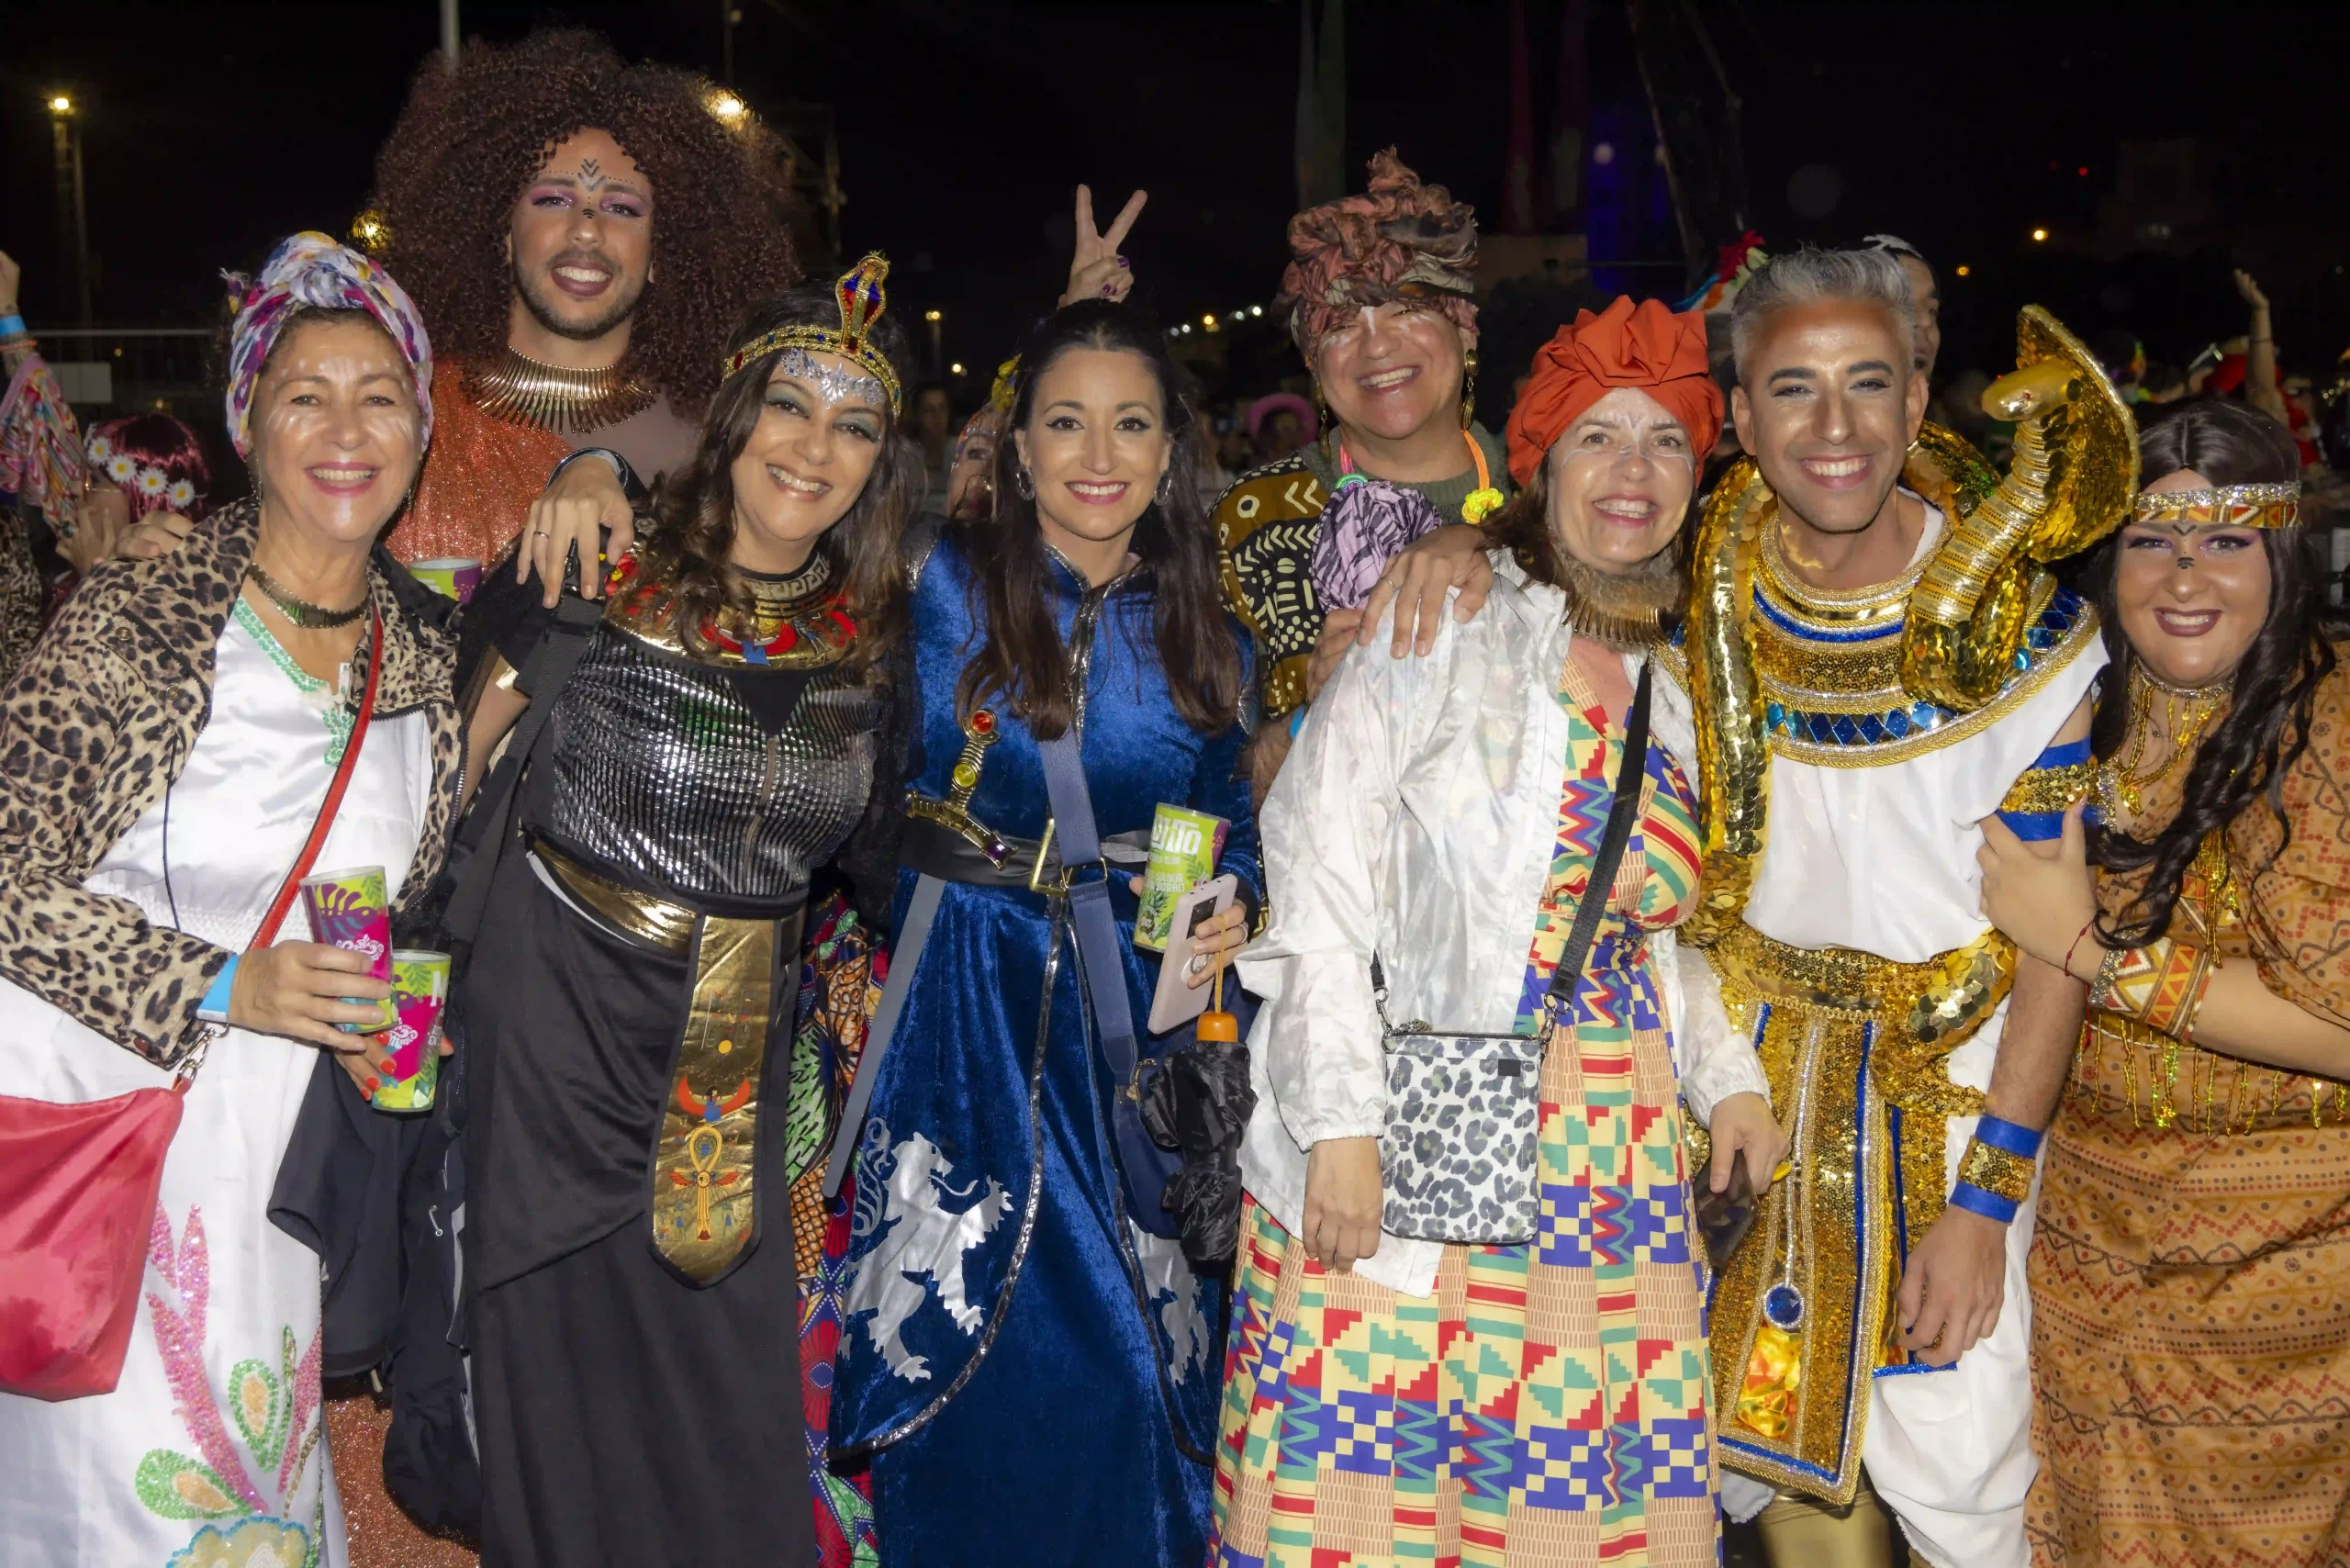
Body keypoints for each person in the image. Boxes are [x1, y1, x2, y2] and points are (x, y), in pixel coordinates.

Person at [1382, 248, 2135, 1566]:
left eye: (1867, 386)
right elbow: (1549, 557)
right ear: (1737, 411)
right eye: (1793, 388)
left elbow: (2052, 955)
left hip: (1956, 1107)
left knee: (1967, 1473)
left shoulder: (2030, 635)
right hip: (1741, 1100)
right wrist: (1454, 536)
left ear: (1918, 399)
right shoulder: (1690, 580)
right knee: (1753, 1466)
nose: (1833, 429)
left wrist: (1985, 1208)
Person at [1212, 297, 1784, 1565]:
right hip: (1424, 1130)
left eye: (1666, 442)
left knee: (1577, 1516)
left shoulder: (1682, 684)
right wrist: (1340, 1129)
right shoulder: (1449, 624)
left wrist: (1727, 1081)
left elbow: (1656, 933)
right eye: (1598, 439)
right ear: (1542, 462)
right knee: (1377, 1507)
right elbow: (1320, 866)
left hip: (1615, 1169)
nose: (1633, 472)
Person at [447, 253, 918, 1567]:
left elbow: (893, 860)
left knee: (726, 1412)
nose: (814, 446)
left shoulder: (875, 637)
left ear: (881, 461)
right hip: (557, 1030)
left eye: (855, 423)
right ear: (734, 416)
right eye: (789, 404)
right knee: (555, 1404)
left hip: (733, 1049)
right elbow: (450, 778)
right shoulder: (595, 561)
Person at [0, 232, 457, 1566]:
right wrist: (221, 979)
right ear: (246, 421)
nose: (345, 429)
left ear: (421, 430)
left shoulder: (427, 654)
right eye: (304, 393)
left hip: (293, 1174)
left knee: (256, 1494)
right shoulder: (141, 621)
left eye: (381, 394)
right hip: (119, 1154)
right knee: (126, 1507)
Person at [825, 299, 1258, 1567]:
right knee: (956, 1381)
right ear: (1014, 447)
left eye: (1132, 423)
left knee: (1134, 1386)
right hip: (957, 1012)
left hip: (1125, 1042)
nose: (1098, 454)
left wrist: (1222, 916)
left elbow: (1220, 836)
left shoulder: (1211, 643)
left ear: (1174, 451)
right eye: (1064, 422)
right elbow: (775, 514)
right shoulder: (935, 583)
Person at [1975, 399, 2350, 1567]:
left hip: (2284, 1279)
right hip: (2090, 1245)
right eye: (2152, 541)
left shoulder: (2326, 722)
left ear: (2280, 555)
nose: (2185, 574)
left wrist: (2088, 949)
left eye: (2225, 542)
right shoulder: (2074, 713)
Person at [1214, 150, 1507, 793]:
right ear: (1316, 367)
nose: (1377, 346)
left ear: (1463, 331)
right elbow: (1201, 787)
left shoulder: (1553, 494)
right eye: (1343, 325)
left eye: (1406, 310)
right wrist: (1309, 719)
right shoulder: (1254, 521)